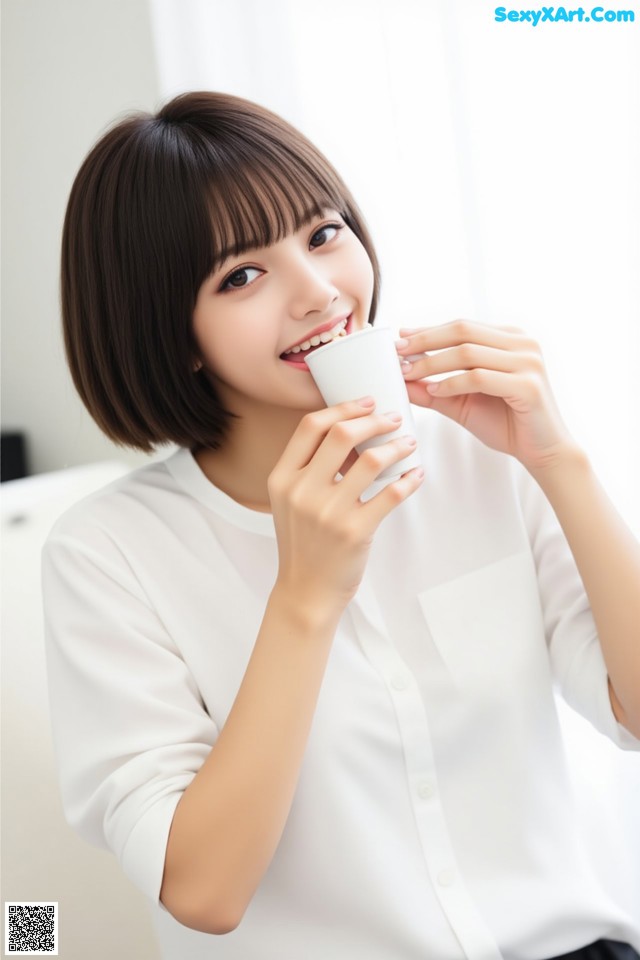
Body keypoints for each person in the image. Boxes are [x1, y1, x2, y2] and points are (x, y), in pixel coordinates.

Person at [43, 90, 640, 960]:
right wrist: (304, 597)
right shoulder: (108, 552)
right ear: (171, 333)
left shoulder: (477, 455)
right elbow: (204, 892)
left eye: (323, 233)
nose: (319, 292)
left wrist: (560, 462)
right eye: (240, 276)